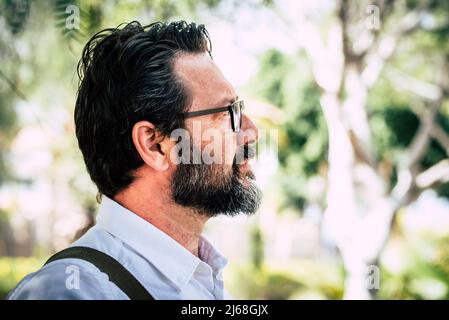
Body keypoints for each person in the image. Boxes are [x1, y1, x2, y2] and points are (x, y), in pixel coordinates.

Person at [7, 20, 261, 300]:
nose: (252, 131)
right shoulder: (72, 292)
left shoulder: (203, 277)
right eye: (227, 113)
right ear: (155, 145)